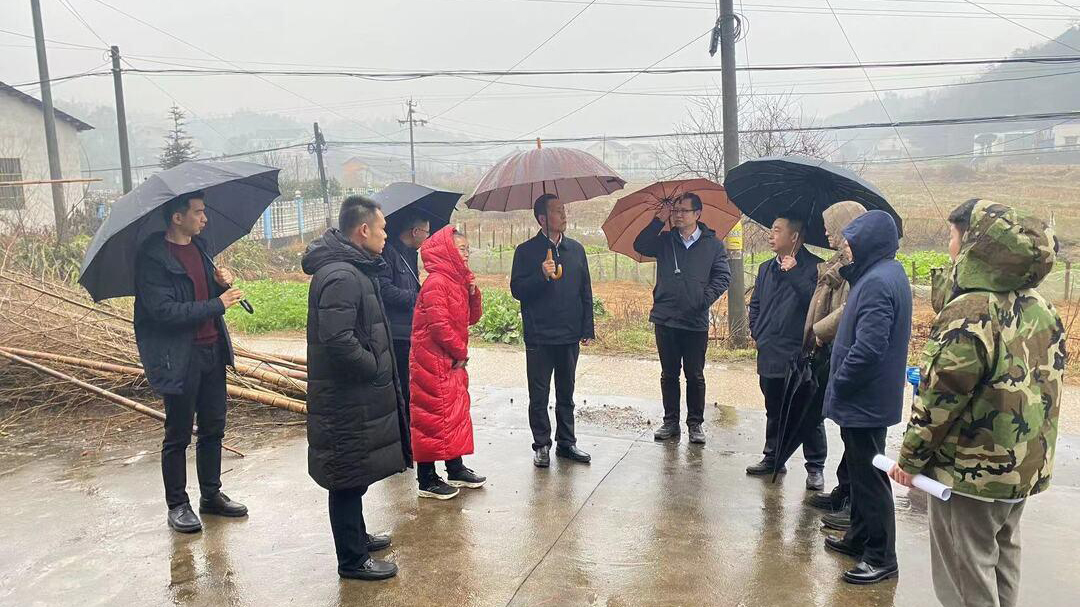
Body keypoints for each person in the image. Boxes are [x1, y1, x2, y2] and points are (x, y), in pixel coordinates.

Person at [889, 200, 1065, 607]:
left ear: (973, 242)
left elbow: (940, 397)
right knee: (1003, 555)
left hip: (970, 473)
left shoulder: (972, 310)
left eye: (953, 236)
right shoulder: (1040, 306)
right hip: (1021, 467)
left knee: (965, 571)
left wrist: (910, 460)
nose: (949, 245)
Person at [303, 196, 411, 581]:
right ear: (363, 230)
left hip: (353, 396)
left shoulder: (353, 269)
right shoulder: (342, 275)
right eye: (382, 229)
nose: (386, 236)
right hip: (345, 398)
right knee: (346, 477)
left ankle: (358, 537)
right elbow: (338, 339)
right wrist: (374, 366)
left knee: (355, 473)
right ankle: (352, 560)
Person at [133, 190, 248, 534]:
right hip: (179, 357)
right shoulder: (153, 259)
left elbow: (201, 297)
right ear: (177, 217)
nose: (204, 218)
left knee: (213, 428)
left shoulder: (200, 248)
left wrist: (218, 286)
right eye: (198, 212)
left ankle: (211, 495)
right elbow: (164, 312)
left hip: (212, 350)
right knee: (178, 433)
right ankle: (178, 504)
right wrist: (218, 304)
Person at [821, 210, 911, 585]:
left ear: (869, 244)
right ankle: (859, 537)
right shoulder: (882, 273)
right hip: (867, 399)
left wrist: (840, 382)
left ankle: (880, 556)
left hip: (864, 400)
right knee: (860, 474)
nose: (846, 248)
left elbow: (869, 348)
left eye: (851, 242)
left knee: (871, 479)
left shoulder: (877, 282)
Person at [632, 192, 730, 444]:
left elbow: (722, 276)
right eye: (675, 211)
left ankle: (695, 424)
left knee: (694, 375)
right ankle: (670, 422)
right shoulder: (665, 241)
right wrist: (658, 220)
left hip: (695, 321)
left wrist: (702, 299)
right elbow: (640, 245)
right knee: (669, 374)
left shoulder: (712, 245)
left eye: (683, 211)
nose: (677, 215)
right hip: (666, 318)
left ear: (697, 214)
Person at [510, 193, 595, 468]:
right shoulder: (526, 251)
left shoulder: (576, 250)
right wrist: (541, 275)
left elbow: (585, 290)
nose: (564, 215)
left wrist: (587, 327)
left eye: (564, 209)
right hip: (539, 335)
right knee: (539, 394)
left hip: (569, 333)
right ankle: (541, 444)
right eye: (557, 211)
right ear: (542, 219)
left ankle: (567, 443)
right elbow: (517, 290)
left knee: (566, 392)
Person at [746, 213, 826, 489]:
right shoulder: (766, 268)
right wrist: (757, 332)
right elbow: (756, 304)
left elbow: (815, 304)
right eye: (771, 229)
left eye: (777, 230)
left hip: (798, 353)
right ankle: (773, 457)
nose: (771, 235)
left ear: (795, 236)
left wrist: (794, 273)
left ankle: (815, 466)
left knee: (806, 411)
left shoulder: (815, 268)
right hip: (769, 349)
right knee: (774, 408)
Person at [802, 202, 867, 526]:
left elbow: (848, 311)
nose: (826, 231)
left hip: (843, 349)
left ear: (846, 226)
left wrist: (819, 331)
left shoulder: (859, 267)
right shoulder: (839, 263)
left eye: (831, 226)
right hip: (831, 349)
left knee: (856, 435)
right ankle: (844, 489)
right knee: (846, 429)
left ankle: (853, 500)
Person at [409, 226, 486, 500]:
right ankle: (427, 479)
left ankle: (455, 468)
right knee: (431, 417)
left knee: (453, 414)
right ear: (447, 250)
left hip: (450, 359)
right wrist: (460, 352)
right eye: (461, 249)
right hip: (432, 360)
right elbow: (439, 326)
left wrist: (473, 294)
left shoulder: (456, 281)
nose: (466, 254)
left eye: (468, 249)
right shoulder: (437, 282)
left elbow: (471, 319)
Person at [378, 213, 431, 408]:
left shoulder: (410, 254)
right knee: (401, 385)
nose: (428, 236)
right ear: (415, 231)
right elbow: (384, 290)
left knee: (411, 385)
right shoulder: (389, 253)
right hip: (396, 333)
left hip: (410, 329)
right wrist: (416, 298)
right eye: (426, 232)